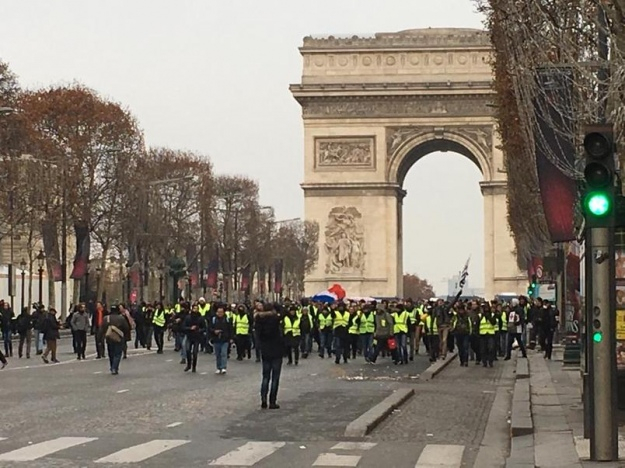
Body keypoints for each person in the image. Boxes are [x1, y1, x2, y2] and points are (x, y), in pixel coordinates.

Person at [255, 302, 284, 409]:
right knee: (275, 378)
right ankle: (272, 401)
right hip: (276, 350)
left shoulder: (259, 319)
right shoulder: (275, 319)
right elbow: (282, 312)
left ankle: (263, 398)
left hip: (265, 351)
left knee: (265, 377)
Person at [99, 305, 130, 375]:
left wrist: (100, 338)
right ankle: (114, 367)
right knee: (117, 353)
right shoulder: (121, 318)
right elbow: (126, 328)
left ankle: (112, 366)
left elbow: (102, 328)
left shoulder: (106, 318)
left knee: (111, 353)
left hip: (109, 337)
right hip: (118, 337)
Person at [209, 305, 233, 374]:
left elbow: (230, 329)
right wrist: (214, 331)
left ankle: (223, 367)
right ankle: (218, 367)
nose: (220, 313)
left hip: (225, 339)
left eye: (221, 312)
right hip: (216, 339)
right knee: (217, 354)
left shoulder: (227, 319)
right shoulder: (214, 319)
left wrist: (231, 338)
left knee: (223, 353)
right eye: (218, 312)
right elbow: (210, 328)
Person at [182, 304, 206, 372]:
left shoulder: (200, 318)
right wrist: (190, 328)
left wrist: (199, 330)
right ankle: (189, 364)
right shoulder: (188, 317)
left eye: (196, 308)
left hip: (197, 337)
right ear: (192, 309)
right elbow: (183, 327)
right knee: (188, 350)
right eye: (194, 308)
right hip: (189, 336)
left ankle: (194, 366)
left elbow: (204, 328)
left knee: (195, 352)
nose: (195, 310)